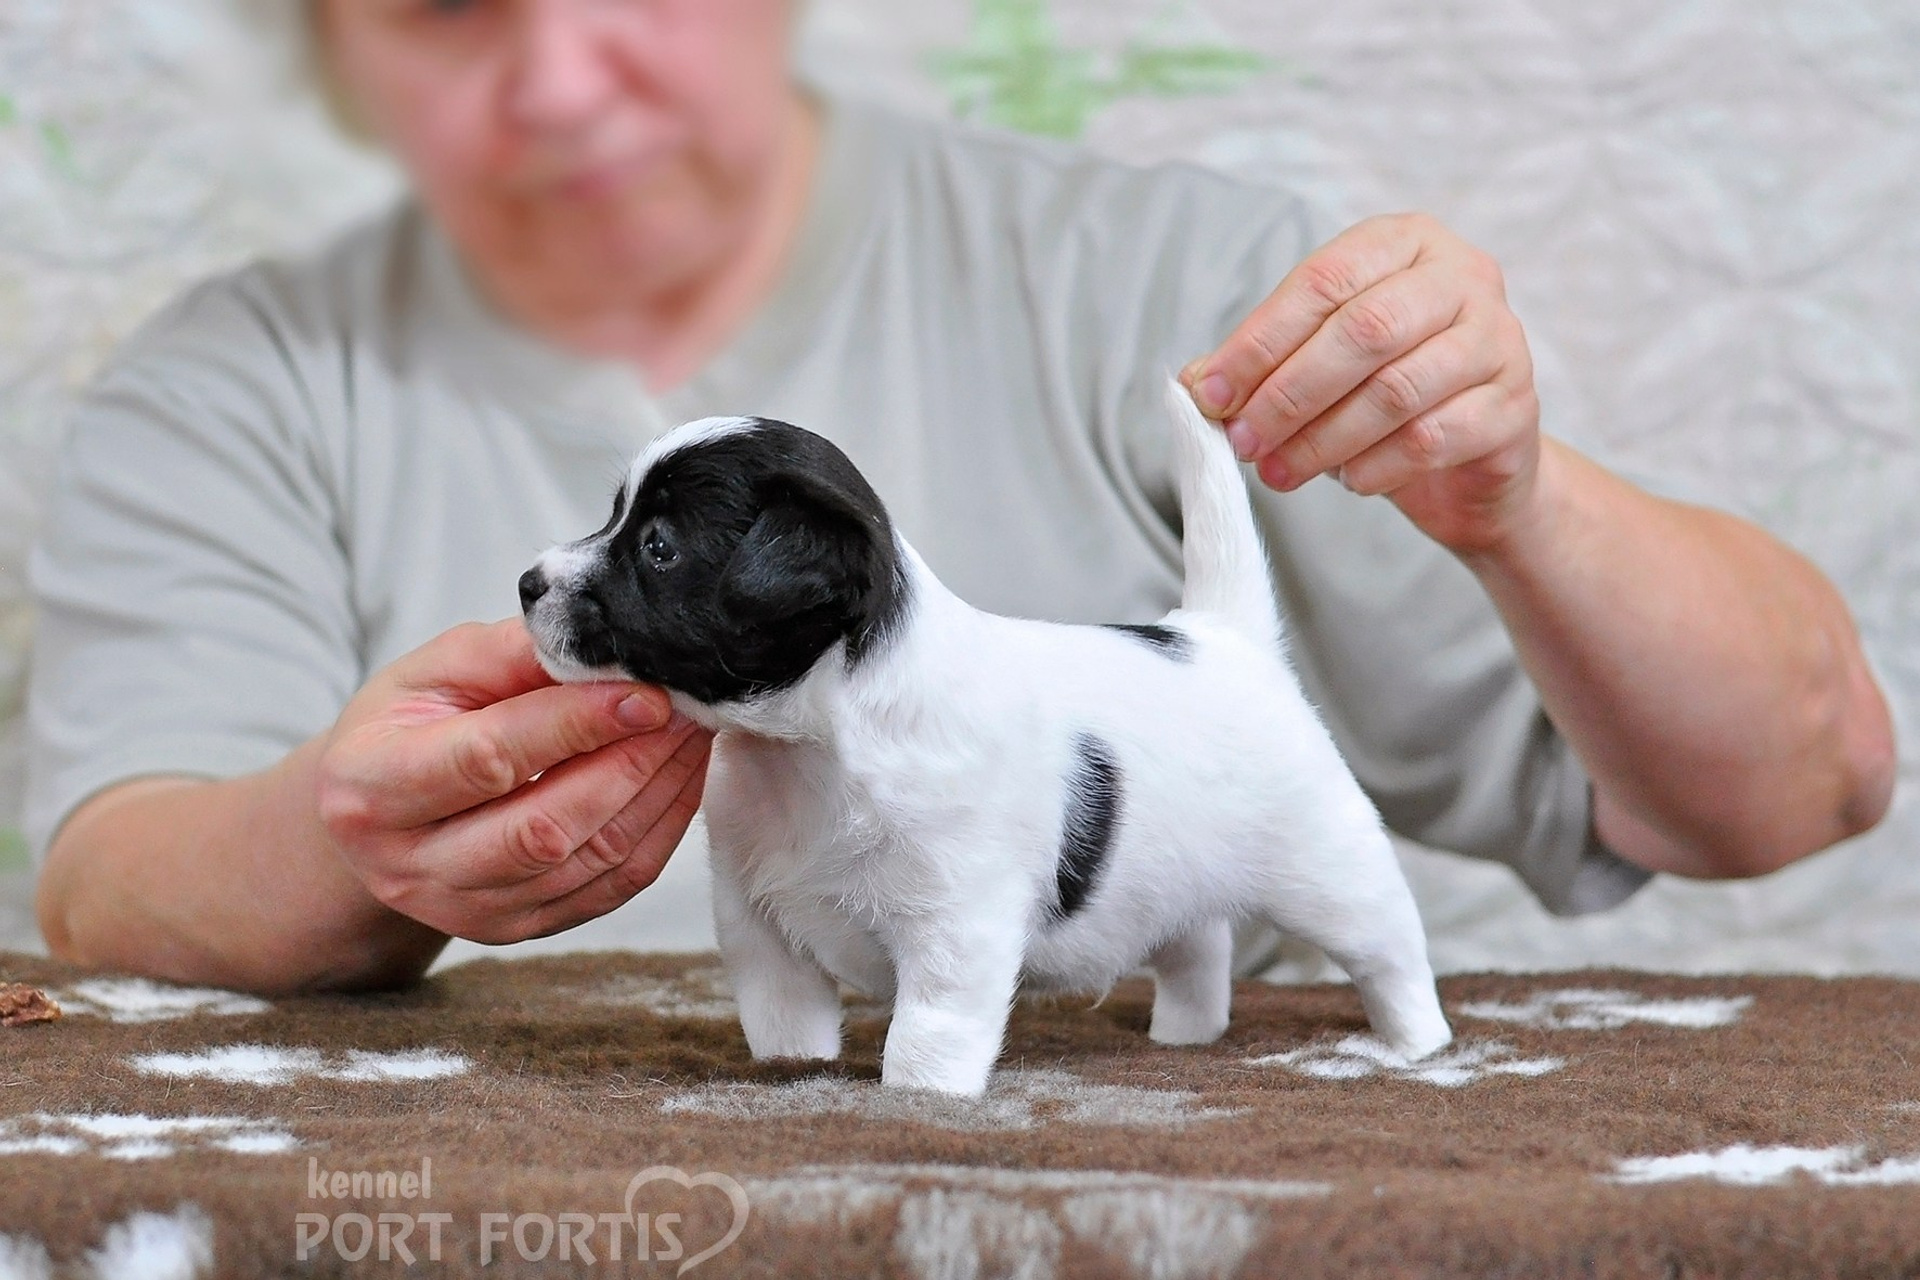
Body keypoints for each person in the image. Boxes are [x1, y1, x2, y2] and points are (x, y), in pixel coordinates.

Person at [25, 0, 1895, 996]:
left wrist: (1516, 499)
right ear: (329, 38)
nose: (569, 68)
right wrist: (341, 849)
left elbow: (1807, 779)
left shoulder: (1183, 306)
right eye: (444, 2)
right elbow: (103, 879)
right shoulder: (227, 385)